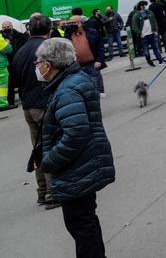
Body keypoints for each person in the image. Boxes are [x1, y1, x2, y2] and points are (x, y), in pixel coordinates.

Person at [36, 37, 117, 257]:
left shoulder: (66, 90)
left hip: (78, 166)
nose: (37, 67)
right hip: (86, 163)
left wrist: (50, 161)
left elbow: (76, 132)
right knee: (85, 222)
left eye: (38, 62)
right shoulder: (72, 81)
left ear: (49, 64)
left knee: (81, 224)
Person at [11, 14, 54, 206]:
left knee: (38, 149)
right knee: (51, 148)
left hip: (28, 108)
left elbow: (13, 82)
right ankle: (53, 192)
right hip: (44, 105)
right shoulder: (47, 49)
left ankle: (42, 191)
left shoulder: (20, 51)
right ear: (49, 30)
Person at [66, 16, 104, 98]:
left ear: (81, 23)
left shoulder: (92, 32)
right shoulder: (68, 35)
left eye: (75, 22)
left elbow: (100, 47)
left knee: (94, 87)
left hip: (91, 65)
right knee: (83, 89)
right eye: (71, 23)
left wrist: (99, 60)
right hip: (77, 67)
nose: (73, 24)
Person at [131, 1, 166, 66]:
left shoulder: (150, 13)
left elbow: (154, 22)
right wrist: (140, 33)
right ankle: (149, 61)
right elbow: (134, 26)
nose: (145, 6)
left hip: (152, 34)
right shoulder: (136, 15)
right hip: (144, 36)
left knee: (156, 48)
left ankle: (160, 61)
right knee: (146, 50)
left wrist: (155, 31)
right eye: (144, 5)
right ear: (140, 6)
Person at [0, 26, 12, 111]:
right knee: (2, 85)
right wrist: (8, 43)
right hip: (1, 65)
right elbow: (7, 49)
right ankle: (2, 103)